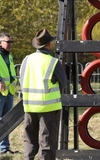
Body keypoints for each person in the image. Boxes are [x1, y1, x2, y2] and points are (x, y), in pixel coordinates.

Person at [19, 28, 68, 160]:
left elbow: (22, 80)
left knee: (29, 140)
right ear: (49, 45)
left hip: (29, 107)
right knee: (47, 142)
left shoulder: (26, 60)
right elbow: (64, 83)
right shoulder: (52, 62)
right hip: (48, 108)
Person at [0, 32, 18, 154]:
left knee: (7, 120)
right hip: (0, 92)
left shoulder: (9, 56)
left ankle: (4, 147)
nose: (10, 44)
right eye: (8, 42)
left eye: (11, 42)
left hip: (9, 91)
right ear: (0, 43)